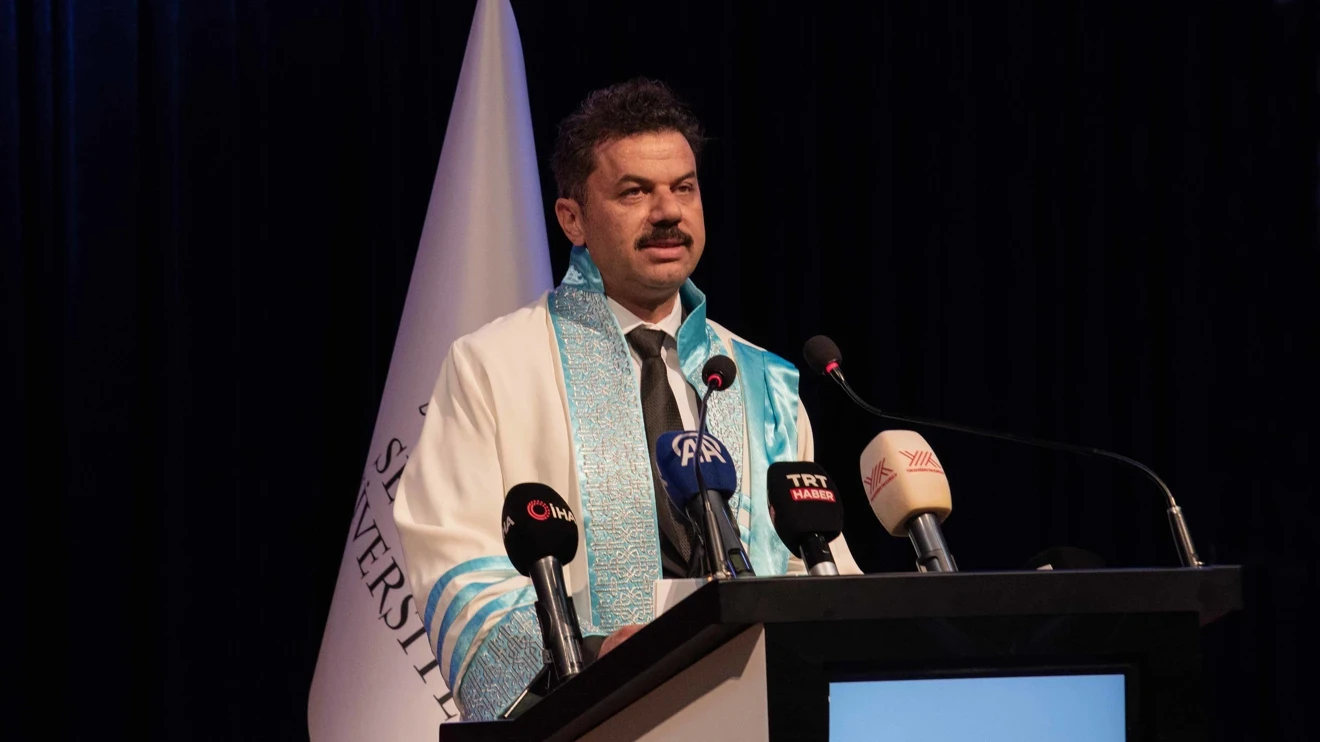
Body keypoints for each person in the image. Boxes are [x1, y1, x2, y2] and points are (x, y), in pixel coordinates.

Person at [393, 77, 861, 722]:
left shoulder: (760, 380)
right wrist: (588, 659)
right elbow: (457, 567)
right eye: (635, 192)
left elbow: (822, 567)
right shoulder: (493, 366)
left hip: (761, 710)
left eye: (684, 188)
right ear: (573, 219)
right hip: (593, 717)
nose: (668, 212)